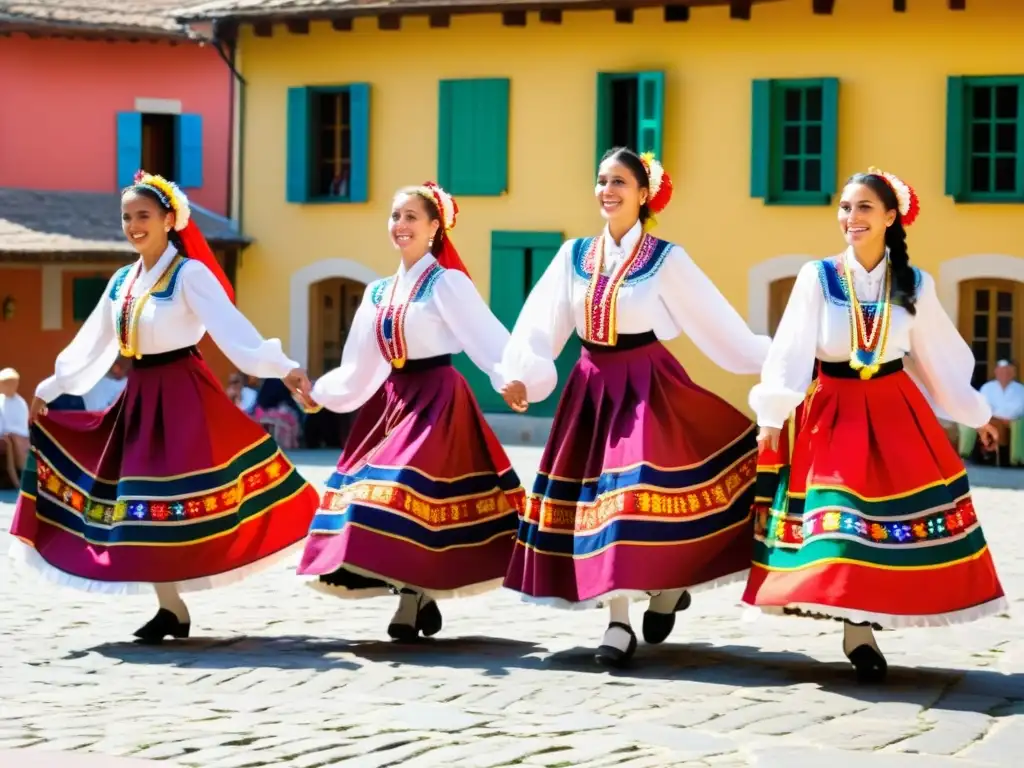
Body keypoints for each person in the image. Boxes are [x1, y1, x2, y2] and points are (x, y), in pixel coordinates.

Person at [9, 172, 321, 643]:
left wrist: (285, 368)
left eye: (144, 216)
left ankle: (308, 541)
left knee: (176, 496)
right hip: (139, 396)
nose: (134, 225)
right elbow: (93, 341)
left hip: (183, 395)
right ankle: (171, 607)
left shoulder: (190, 274)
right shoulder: (122, 282)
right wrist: (52, 387)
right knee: (138, 504)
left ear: (169, 219)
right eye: (127, 217)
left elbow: (233, 331)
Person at [499, 148, 770, 667]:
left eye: (620, 181)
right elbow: (541, 324)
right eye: (601, 180)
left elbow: (720, 326)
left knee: (627, 503)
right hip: (590, 389)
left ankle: (665, 588)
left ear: (644, 194)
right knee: (597, 509)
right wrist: (522, 374)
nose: (608, 190)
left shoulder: (667, 259)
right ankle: (618, 620)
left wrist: (784, 365)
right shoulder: (572, 255)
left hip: (649, 389)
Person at [744, 168, 1007, 683]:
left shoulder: (915, 283)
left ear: (891, 217)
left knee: (886, 524)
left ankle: (859, 627)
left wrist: (976, 414)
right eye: (845, 207)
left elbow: (939, 361)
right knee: (842, 521)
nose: (851, 218)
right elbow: (790, 350)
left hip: (894, 413)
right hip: (833, 412)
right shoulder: (815, 277)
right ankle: (857, 626)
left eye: (864, 208)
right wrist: (772, 415)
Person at [296, 182, 524, 641]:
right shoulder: (378, 292)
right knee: (368, 499)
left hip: (438, 401)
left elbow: (487, 336)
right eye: (395, 216)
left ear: (435, 227)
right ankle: (413, 593)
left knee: (402, 496)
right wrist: (321, 393)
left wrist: (513, 378)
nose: (400, 225)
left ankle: (412, 596)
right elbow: (359, 365)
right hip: (393, 403)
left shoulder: (446, 282)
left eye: (411, 217)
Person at [959, 359, 1024, 466]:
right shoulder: (988, 387)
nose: (1005, 374)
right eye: (1001, 371)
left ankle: (1016, 460)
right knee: (972, 423)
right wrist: (996, 417)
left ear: (1013, 373)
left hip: (1012, 421)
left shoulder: (1020, 389)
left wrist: (1006, 418)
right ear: (996, 372)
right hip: (991, 419)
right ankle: (966, 455)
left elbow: (1020, 408)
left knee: (1016, 425)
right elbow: (983, 405)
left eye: (1008, 371)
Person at [0, 368, 30, 488]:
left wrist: (11, 433)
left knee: (15, 441)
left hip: (17, 436)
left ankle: (23, 476)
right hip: (4, 435)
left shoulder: (20, 403)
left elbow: (22, 427)